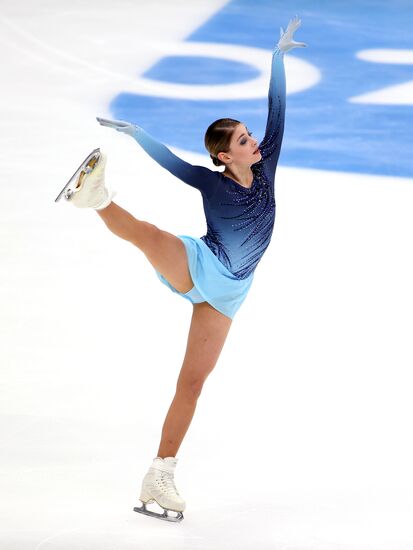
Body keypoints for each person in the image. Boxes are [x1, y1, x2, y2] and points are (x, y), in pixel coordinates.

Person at [57, 16, 306, 522]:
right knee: (152, 237)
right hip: (203, 263)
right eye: (241, 140)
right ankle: (95, 197)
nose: (253, 142)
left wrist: (277, 59)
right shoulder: (209, 182)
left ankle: (160, 473)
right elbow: (170, 162)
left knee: (191, 383)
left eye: (249, 135)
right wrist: (137, 132)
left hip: (232, 292)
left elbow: (277, 111)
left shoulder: (267, 164)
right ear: (221, 155)